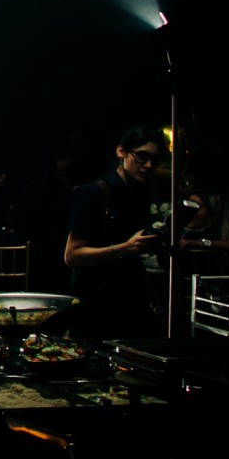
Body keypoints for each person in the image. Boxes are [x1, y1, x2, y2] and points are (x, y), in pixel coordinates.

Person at [64, 125, 164, 340]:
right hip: (96, 302)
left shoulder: (143, 193)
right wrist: (124, 248)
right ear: (121, 152)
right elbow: (72, 256)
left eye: (155, 160)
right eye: (141, 156)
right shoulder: (92, 193)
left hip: (131, 298)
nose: (148, 165)